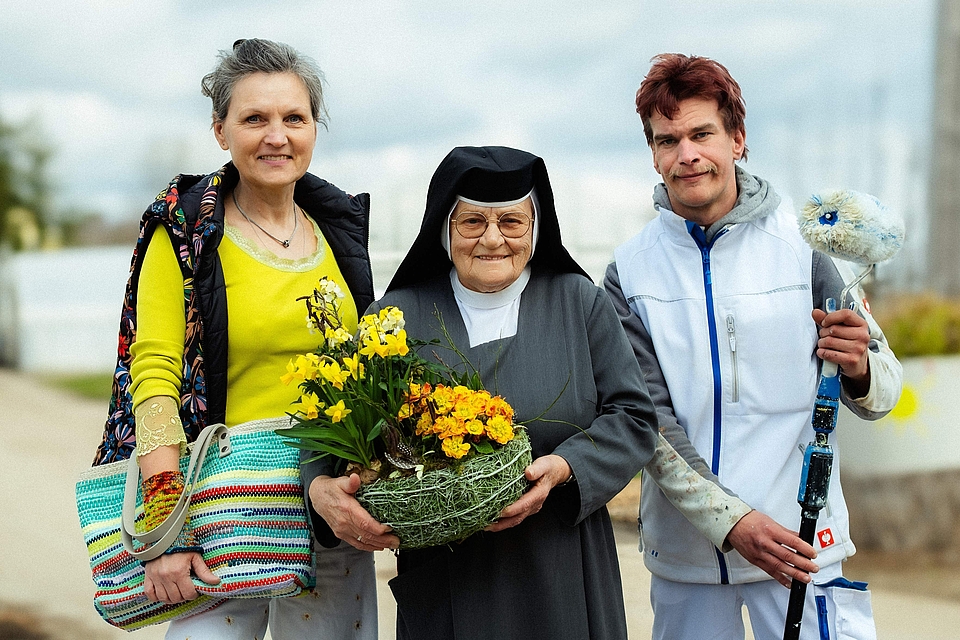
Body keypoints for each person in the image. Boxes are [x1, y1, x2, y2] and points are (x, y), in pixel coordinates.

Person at [302, 145, 660, 639]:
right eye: (472, 222)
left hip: (561, 568)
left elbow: (633, 417)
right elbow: (333, 427)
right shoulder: (394, 318)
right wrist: (321, 489)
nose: (492, 239)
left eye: (511, 221)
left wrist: (565, 467)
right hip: (446, 581)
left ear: (535, 227)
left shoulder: (580, 304)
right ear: (444, 229)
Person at [603, 53, 903, 640]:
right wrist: (731, 521)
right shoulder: (628, 273)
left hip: (803, 550)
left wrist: (860, 367)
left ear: (737, 139)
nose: (687, 154)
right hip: (687, 563)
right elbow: (647, 421)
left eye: (701, 134)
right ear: (654, 153)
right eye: (668, 140)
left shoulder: (808, 249)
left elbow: (884, 391)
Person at [93, 38, 377, 639]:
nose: (277, 136)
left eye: (294, 118)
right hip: (219, 517)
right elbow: (155, 376)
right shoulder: (186, 234)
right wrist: (165, 526)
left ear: (314, 128)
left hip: (329, 511)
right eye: (254, 119)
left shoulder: (338, 231)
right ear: (220, 131)